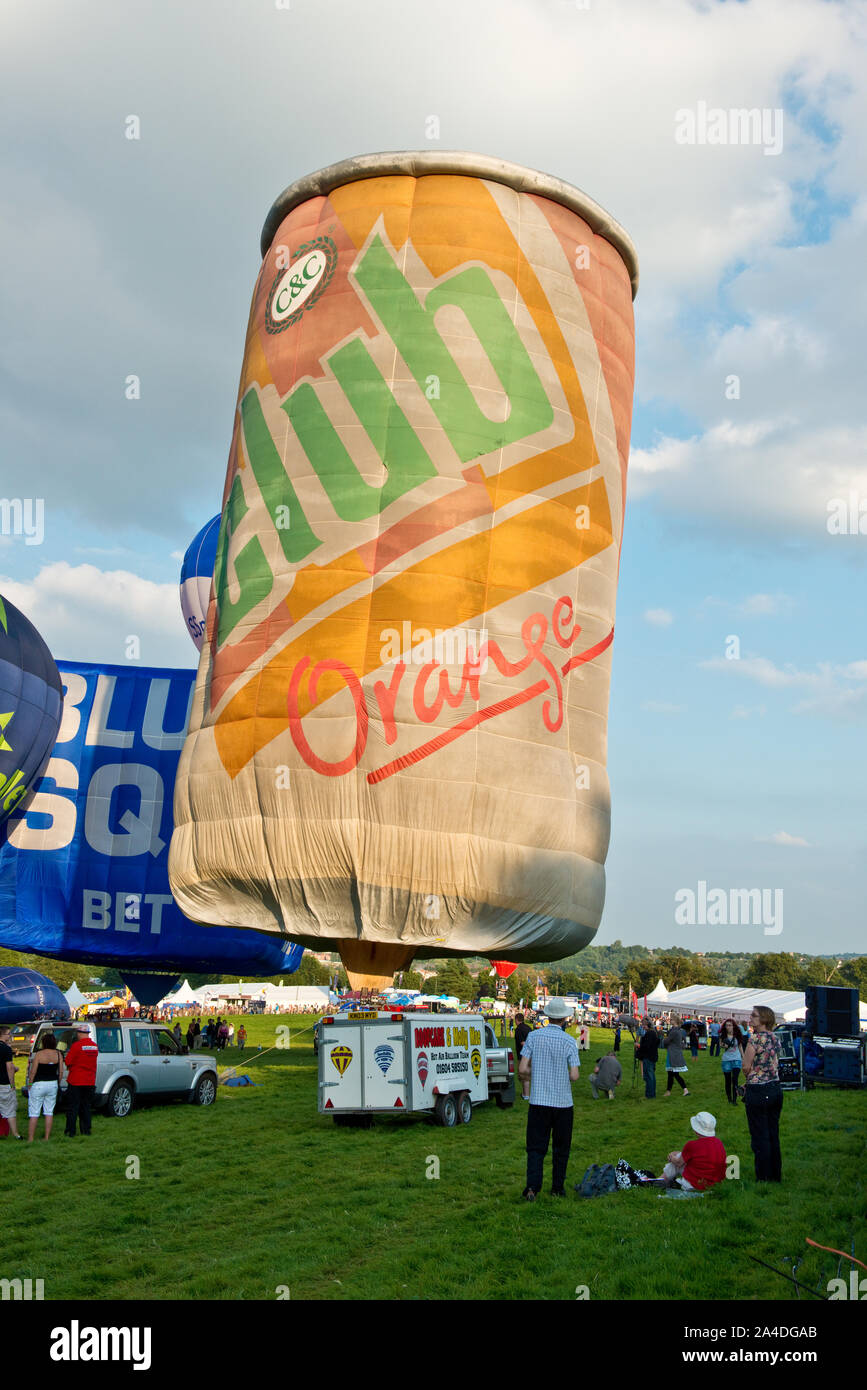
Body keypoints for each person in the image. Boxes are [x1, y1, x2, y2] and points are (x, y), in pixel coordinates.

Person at [517, 998, 581, 1200]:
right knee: (561, 1148)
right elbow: (574, 1075)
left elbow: (522, 1069)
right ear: (564, 1018)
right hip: (562, 1103)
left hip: (538, 1101)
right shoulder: (569, 1041)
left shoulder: (534, 1037)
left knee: (536, 1148)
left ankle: (532, 1188)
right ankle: (557, 1188)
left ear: (547, 1016)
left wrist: (534, 1074)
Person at [742, 1006, 783, 1182]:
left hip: (758, 1090)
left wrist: (749, 1076)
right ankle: (775, 1174)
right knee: (773, 1133)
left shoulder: (755, 1039)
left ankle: (763, 1176)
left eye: (754, 1015)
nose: (750, 1018)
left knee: (760, 1136)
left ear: (764, 1019)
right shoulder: (775, 1038)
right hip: (774, 1088)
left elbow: (745, 1065)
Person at [662, 1112, 726, 1191]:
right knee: (681, 1156)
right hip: (715, 1183)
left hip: (695, 1184)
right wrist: (677, 1153)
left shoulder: (692, 1145)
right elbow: (697, 1154)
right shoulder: (718, 1142)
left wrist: (671, 1157)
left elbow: (679, 1163)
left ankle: (660, 1180)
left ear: (696, 1130)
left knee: (677, 1160)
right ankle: (664, 1181)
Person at [27, 1031, 64, 1142]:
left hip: (39, 1084)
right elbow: (61, 1071)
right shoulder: (58, 1054)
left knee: (34, 1112)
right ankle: (46, 1137)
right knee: (49, 1111)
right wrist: (57, 1082)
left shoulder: (39, 1054)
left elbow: (33, 1071)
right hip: (52, 1084)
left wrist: (30, 1083)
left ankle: (30, 1138)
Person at [64, 1023, 99, 1137]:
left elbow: (68, 1061)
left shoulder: (76, 1046)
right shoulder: (94, 1046)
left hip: (76, 1081)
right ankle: (86, 1130)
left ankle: (71, 1131)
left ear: (79, 1033)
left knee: (73, 1107)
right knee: (86, 1107)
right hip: (89, 1081)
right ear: (87, 1033)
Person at [0, 1025, 22, 1139]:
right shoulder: (6, 1049)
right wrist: (12, 1084)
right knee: (9, 1110)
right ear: (3, 1035)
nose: (10, 1036)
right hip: (3, 1083)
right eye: (8, 1034)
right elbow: (9, 1067)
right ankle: (16, 1134)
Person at [719, 1018, 745, 1104]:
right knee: (727, 1080)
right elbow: (720, 1045)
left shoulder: (737, 1035)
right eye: (726, 1025)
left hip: (736, 1059)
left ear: (733, 1026)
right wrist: (724, 1045)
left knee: (735, 1079)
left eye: (730, 1025)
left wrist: (743, 1057)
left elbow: (740, 1046)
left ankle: (734, 1100)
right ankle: (729, 1098)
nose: (728, 1027)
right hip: (726, 1060)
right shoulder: (723, 1035)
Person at [663, 1016, 690, 1097]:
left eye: (671, 1019)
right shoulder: (679, 1030)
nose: (670, 1020)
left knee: (674, 1074)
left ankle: (685, 1090)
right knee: (671, 1073)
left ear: (675, 1021)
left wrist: (664, 1039)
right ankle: (668, 1091)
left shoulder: (674, 1031)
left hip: (673, 1054)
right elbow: (684, 1042)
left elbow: (666, 1041)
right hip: (676, 1053)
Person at [635, 1017, 659, 1099]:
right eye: (642, 1025)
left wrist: (639, 1045)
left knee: (649, 1076)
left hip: (648, 1057)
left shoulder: (650, 1033)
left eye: (644, 1025)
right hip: (651, 1057)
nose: (643, 1026)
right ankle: (651, 1094)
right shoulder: (652, 1033)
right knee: (650, 1075)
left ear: (648, 1025)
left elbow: (647, 1046)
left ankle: (649, 1095)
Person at [514, 1013, 531, 1100]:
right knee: (526, 1076)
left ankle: (526, 1095)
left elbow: (522, 1043)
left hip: (522, 1056)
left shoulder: (518, 1030)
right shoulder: (528, 1028)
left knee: (524, 1076)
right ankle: (524, 1093)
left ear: (517, 1020)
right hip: (531, 1055)